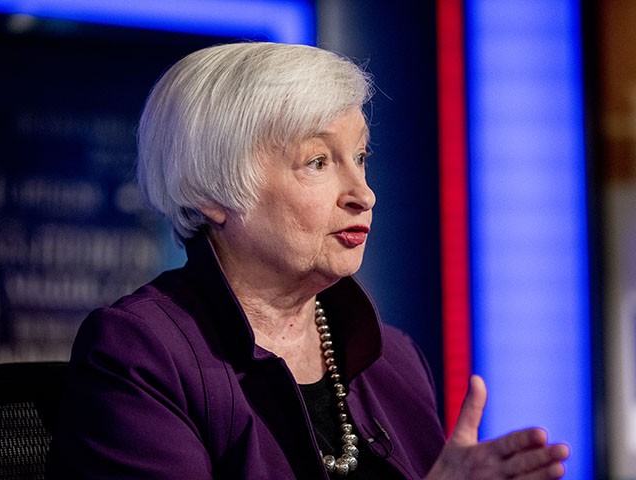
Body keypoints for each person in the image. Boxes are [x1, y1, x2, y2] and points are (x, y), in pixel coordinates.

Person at [46, 42, 569, 479]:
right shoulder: (140, 355)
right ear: (211, 191)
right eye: (318, 162)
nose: (362, 193)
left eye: (360, 157)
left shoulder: (395, 361)